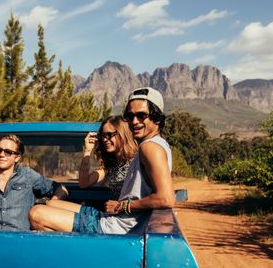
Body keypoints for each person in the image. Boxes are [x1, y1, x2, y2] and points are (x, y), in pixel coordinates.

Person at [29, 87, 174, 234]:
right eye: (129, 116)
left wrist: (121, 207)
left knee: (36, 214)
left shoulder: (149, 148)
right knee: (51, 203)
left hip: (117, 226)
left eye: (141, 115)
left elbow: (166, 198)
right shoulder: (154, 146)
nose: (134, 121)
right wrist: (87, 151)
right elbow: (84, 183)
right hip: (111, 218)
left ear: (156, 116)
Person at [0, 134, 68, 231]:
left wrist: (52, 204)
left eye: (8, 152)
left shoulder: (28, 176)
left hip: (20, 240)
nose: (1, 155)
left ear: (17, 157)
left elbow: (61, 189)